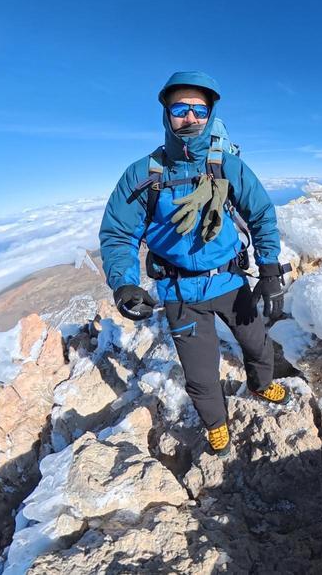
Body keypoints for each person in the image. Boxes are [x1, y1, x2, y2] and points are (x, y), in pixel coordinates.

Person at [98, 70, 290, 458]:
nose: (190, 118)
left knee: (257, 344)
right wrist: (125, 283)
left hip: (230, 281)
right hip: (179, 292)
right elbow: (119, 233)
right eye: (180, 109)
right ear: (166, 114)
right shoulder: (144, 173)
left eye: (198, 110)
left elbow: (261, 214)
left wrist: (269, 269)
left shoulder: (226, 165)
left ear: (209, 113)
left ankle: (260, 383)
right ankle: (217, 425)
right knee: (201, 374)